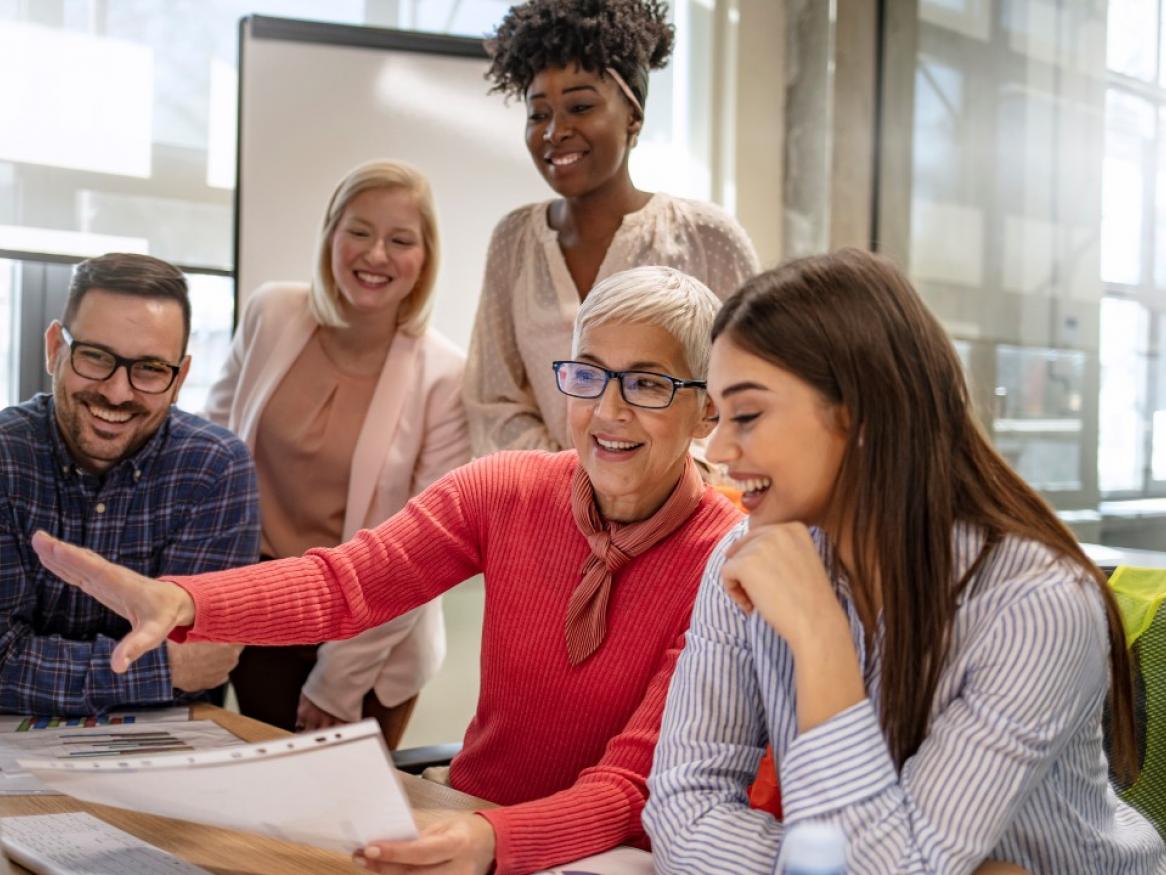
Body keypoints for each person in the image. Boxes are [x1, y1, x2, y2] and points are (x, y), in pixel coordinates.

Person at [33, 266, 742, 875]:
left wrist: (495, 839)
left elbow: (628, 787)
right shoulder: (506, 488)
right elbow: (346, 583)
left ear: (707, 407)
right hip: (462, 821)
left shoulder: (728, 561)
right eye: (588, 375)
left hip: (601, 855)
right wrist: (183, 602)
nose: (607, 410)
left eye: (646, 383)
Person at [642, 249, 1166, 873]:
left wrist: (818, 636)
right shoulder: (748, 558)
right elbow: (681, 813)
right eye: (719, 416)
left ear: (863, 414)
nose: (720, 448)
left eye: (748, 415)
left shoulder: (1037, 603)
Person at [203, 160, 468, 744]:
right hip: (262, 611)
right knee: (258, 814)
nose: (376, 255)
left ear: (425, 259)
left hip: (374, 636)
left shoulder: (445, 375)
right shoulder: (271, 312)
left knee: (346, 825)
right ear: (330, 234)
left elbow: (423, 550)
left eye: (400, 240)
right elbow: (210, 455)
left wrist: (339, 680)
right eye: (359, 231)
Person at [463, 0, 760, 456]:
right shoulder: (514, 240)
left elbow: (744, 393)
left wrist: (653, 486)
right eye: (538, 114)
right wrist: (577, 482)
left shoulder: (707, 238)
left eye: (580, 106)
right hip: (548, 508)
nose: (554, 131)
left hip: (683, 512)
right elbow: (494, 399)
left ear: (634, 118)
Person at [0, 252, 259, 716]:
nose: (118, 393)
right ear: (55, 348)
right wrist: (161, 669)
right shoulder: (4, 459)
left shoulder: (215, 469)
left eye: (150, 369)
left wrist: (41, 666)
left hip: (162, 755)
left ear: (178, 379)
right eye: (96, 357)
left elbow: (205, 663)